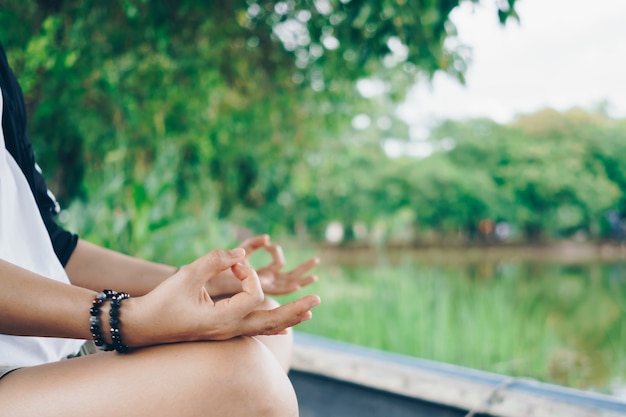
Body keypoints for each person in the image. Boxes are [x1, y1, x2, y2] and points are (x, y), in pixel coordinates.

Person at [0, 42, 320, 417]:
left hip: (48, 351)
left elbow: (51, 248)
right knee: (244, 377)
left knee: (263, 326)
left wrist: (198, 283)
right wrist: (125, 319)